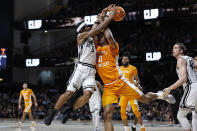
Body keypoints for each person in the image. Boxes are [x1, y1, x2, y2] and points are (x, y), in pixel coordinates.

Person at [94, 11, 176, 131]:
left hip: (121, 83)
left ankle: (160, 95)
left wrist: (103, 21)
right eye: (100, 36)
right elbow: (93, 33)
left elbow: (109, 36)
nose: (101, 37)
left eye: (102, 36)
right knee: (107, 115)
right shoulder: (97, 49)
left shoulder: (112, 48)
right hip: (108, 87)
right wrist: (98, 19)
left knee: (146, 100)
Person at [44, 5, 117, 126]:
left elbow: (97, 24)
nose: (89, 27)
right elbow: (98, 29)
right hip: (81, 68)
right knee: (69, 93)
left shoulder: (91, 36)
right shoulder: (81, 36)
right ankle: (52, 113)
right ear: (83, 29)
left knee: (87, 95)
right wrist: (111, 17)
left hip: (91, 71)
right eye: (87, 27)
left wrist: (103, 14)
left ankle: (70, 109)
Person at [163, 42, 197, 131]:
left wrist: (169, 88)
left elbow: (184, 78)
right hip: (195, 86)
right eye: (173, 48)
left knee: (181, 116)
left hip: (191, 87)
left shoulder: (180, 59)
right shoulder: (190, 59)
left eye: (176, 48)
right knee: (195, 114)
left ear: (181, 51)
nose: (173, 50)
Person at [119, 55, 145, 131]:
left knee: (136, 111)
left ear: (128, 60)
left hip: (131, 92)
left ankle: (142, 128)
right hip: (123, 93)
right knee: (122, 111)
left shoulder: (133, 68)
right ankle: (126, 129)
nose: (124, 60)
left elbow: (137, 80)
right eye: (123, 59)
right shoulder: (119, 69)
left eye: (126, 59)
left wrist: (134, 87)